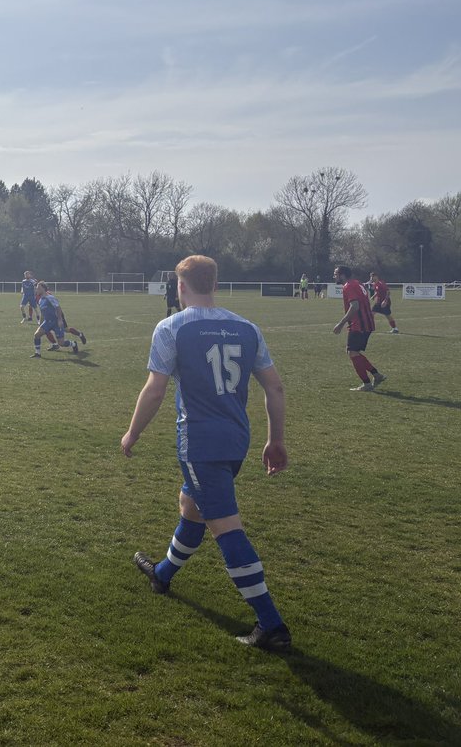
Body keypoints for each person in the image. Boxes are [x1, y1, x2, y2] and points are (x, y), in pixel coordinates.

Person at [121, 255, 290, 652]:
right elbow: (275, 388)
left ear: (180, 287)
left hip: (199, 443)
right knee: (191, 504)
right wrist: (276, 439)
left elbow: (156, 389)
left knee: (226, 526)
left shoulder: (172, 327)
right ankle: (162, 574)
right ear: (214, 283)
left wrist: (132, 433)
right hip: (237, 440)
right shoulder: (247, 328)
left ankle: (272, 625)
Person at [332, 264, 386, 391]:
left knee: (352, 353)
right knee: (354, 352)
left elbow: (354, 306)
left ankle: (367, 384)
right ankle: (376, 375)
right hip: (366, 323)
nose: (334, 277)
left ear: (342, 275)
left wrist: (341, 324)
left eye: (336, 274)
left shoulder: (349, 286)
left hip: (359, 324)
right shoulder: (357, 283)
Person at [30, 281, 85, 357]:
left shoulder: (50, 298)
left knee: (61, 343)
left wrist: (59, 320)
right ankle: (37, 353)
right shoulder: (40, 300)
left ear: (43, 289)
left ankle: (73, 344)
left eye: (38, 288)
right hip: (47, 322)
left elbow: (58, 308)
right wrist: (41, 322)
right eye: (36, 288)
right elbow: (43, 312)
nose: (36, 290)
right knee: (37, 335)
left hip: (56, 322)